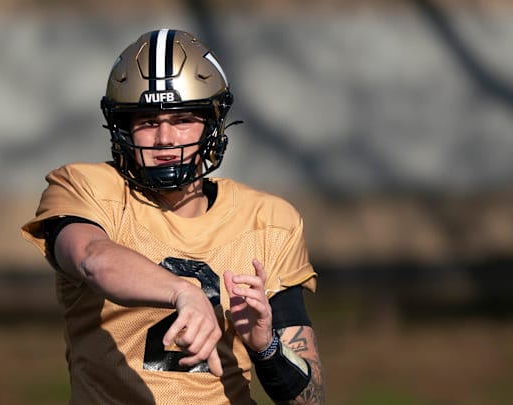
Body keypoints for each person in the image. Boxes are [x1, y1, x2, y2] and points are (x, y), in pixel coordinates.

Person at [22, 29, 324, 404]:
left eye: (182, 119)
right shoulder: (85, 187)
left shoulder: (269, 220)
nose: (165, 138)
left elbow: (308, 400)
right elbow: (92, 259)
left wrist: (267, 347)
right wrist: (184, 293)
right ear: (123, 128)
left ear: (211, 124)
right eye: (148, 121)